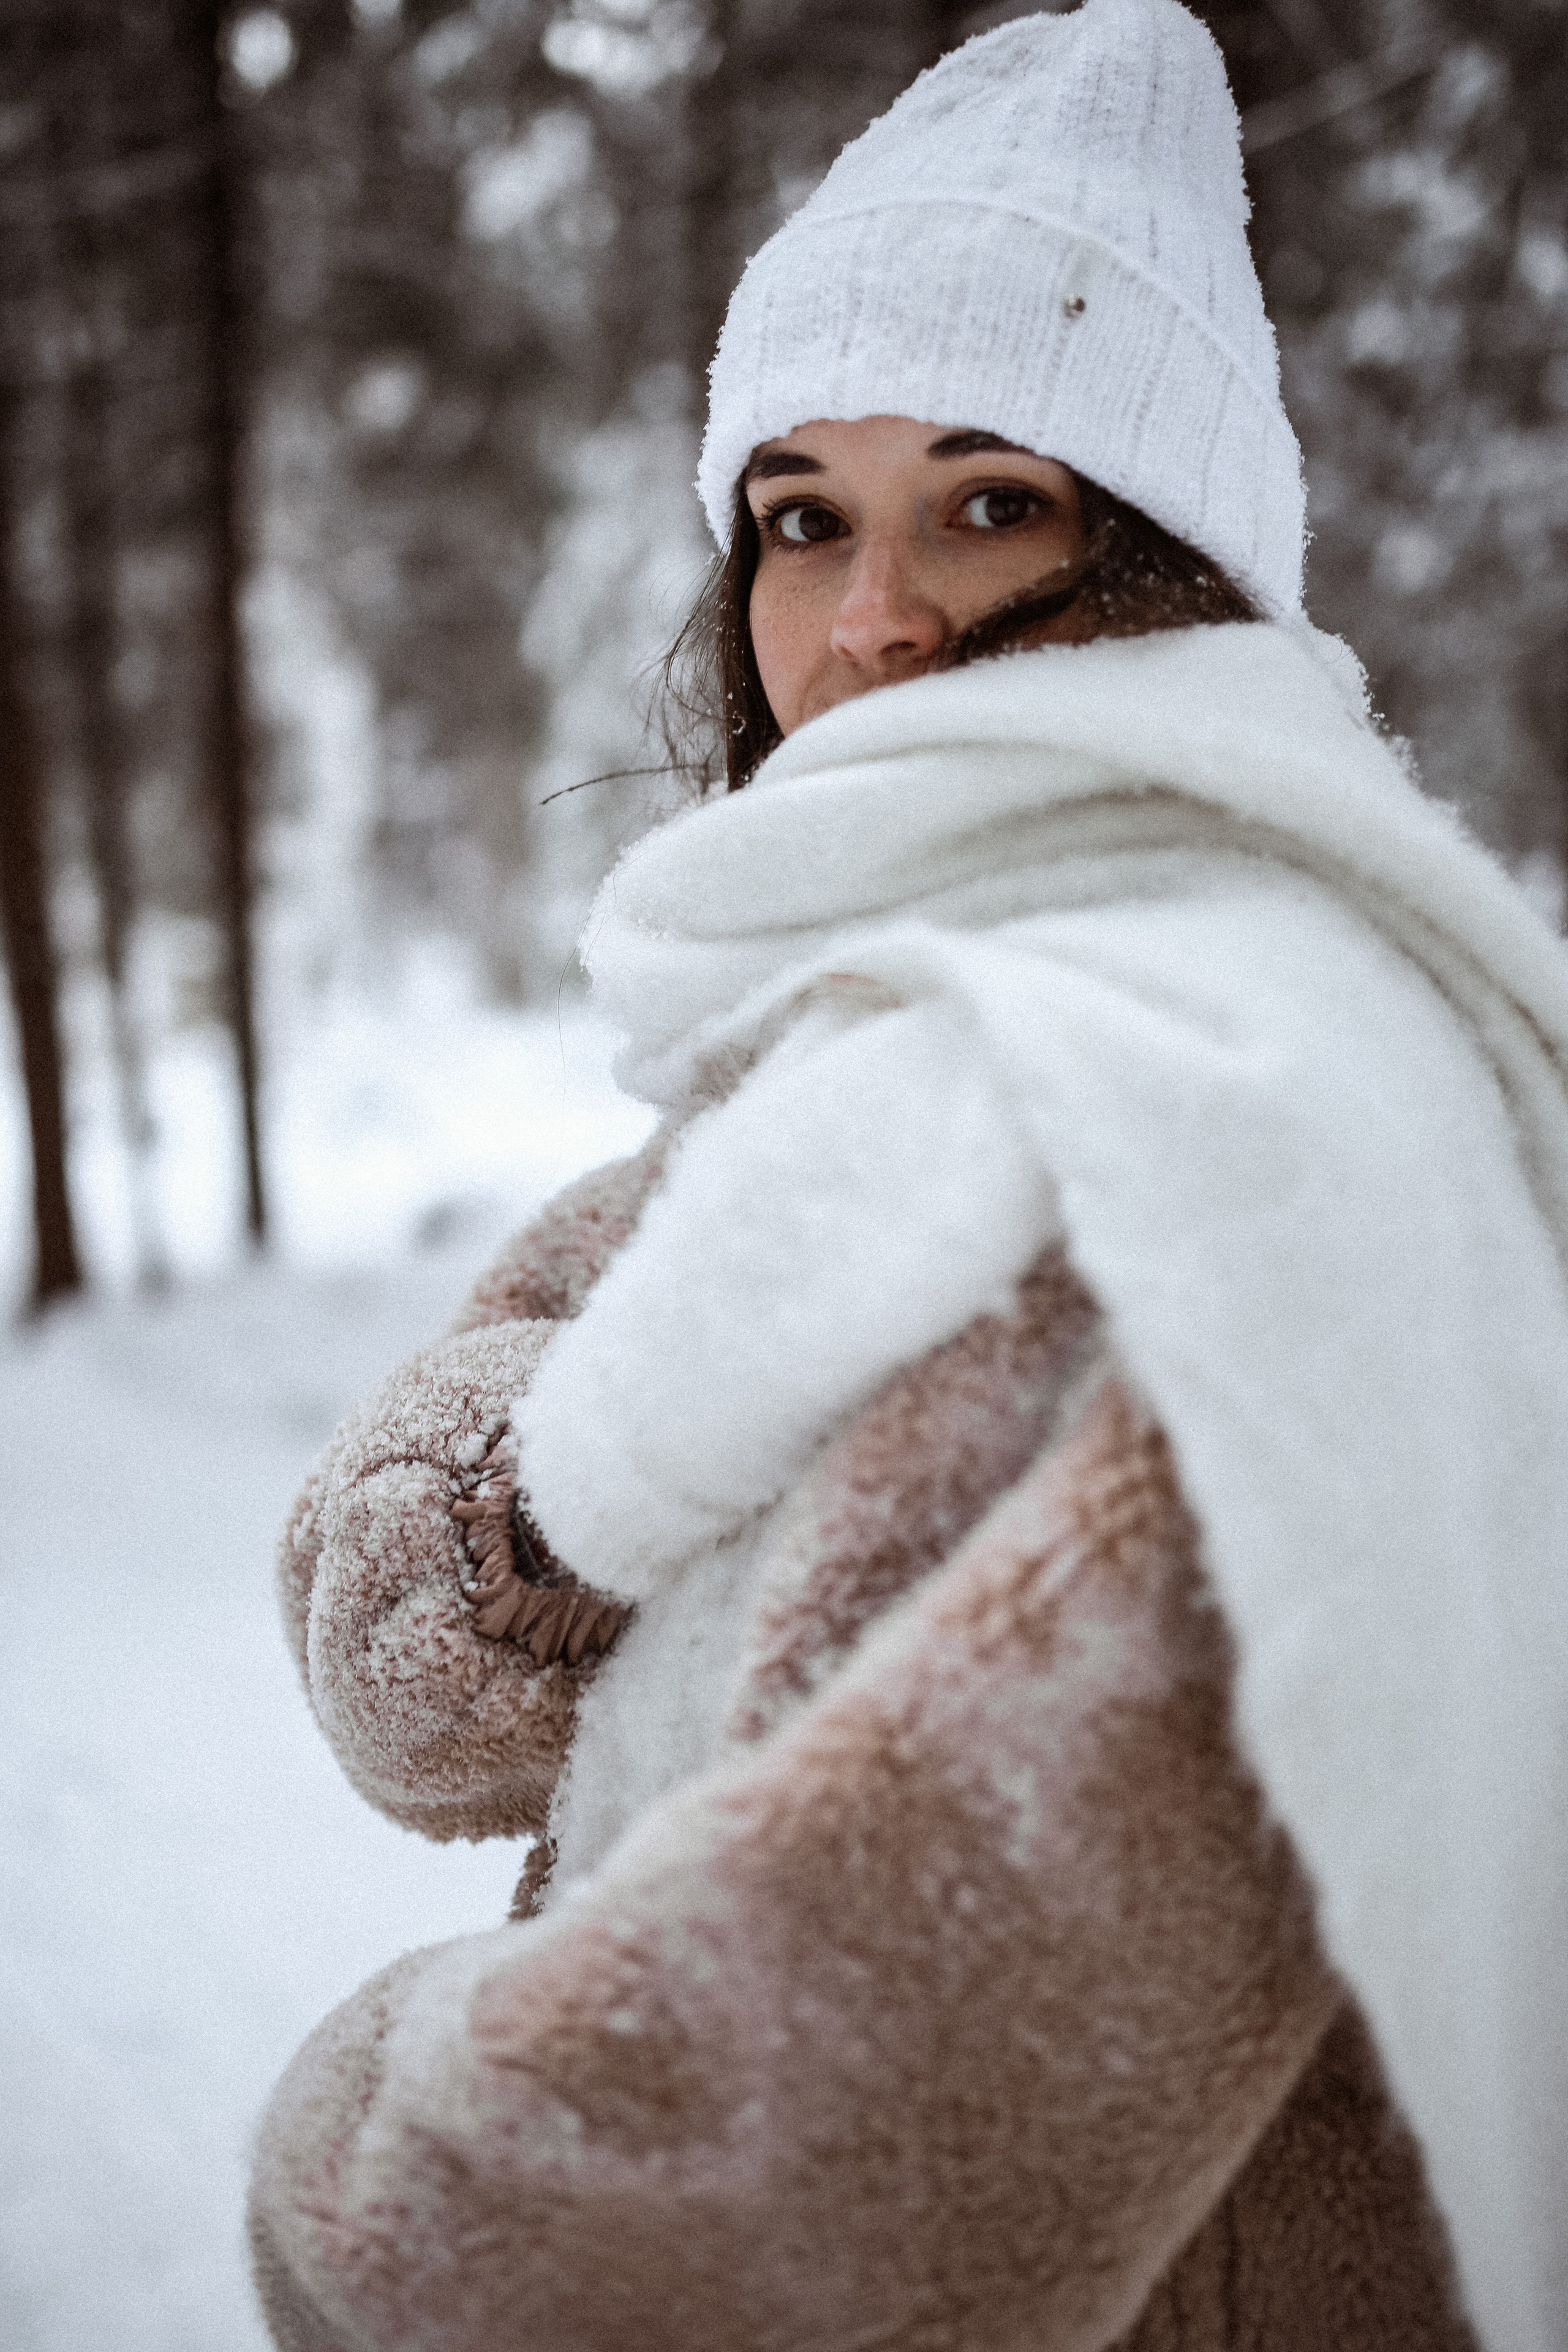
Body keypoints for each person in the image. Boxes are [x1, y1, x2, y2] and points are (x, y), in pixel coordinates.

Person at [247, 5, 1568, 2347]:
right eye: (800, 518)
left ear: (1166, 562)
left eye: (989, 502)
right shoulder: (849, 1065)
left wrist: (347, 2155)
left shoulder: (1188, 1115)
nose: (867, 620)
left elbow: (718, 2196)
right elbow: (395, 1677)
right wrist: (573, 1499)